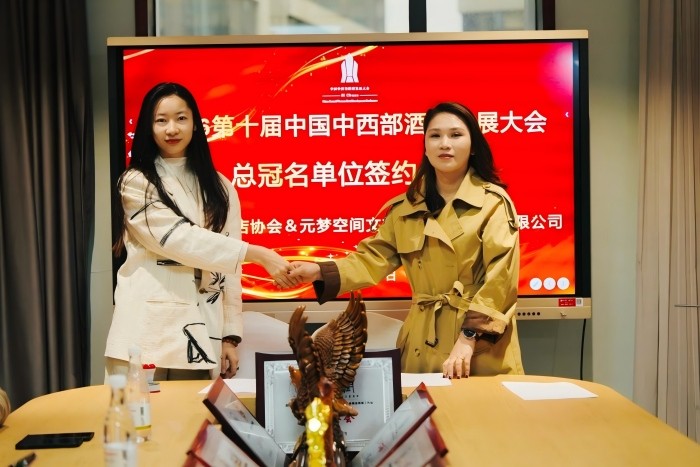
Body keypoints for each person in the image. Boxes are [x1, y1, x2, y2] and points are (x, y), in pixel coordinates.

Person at [286, 102, 524, 379]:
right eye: (435, 135)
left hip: (477, 343)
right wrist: (318, 271)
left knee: (478, 406)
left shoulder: (492, 203)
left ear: (473, 146)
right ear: (425, 146)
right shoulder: (406, 208)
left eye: (456, 135)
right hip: (422, 340)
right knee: (422, 407)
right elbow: (372, 258)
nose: (444, 144)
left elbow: (501, 280)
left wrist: (469, 336)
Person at [105, 82, 295, 381]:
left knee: (194, 409)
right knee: (136, 409)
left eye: (181, 118)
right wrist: (257, 254)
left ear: (195, 123)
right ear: (148, 128)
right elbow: (179, 239)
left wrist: (230, 336)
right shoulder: (135, 182)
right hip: (146, 326)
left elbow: (229, 271)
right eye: (161, 120)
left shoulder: (220, 187)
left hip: (203, 326)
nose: (172, 129)